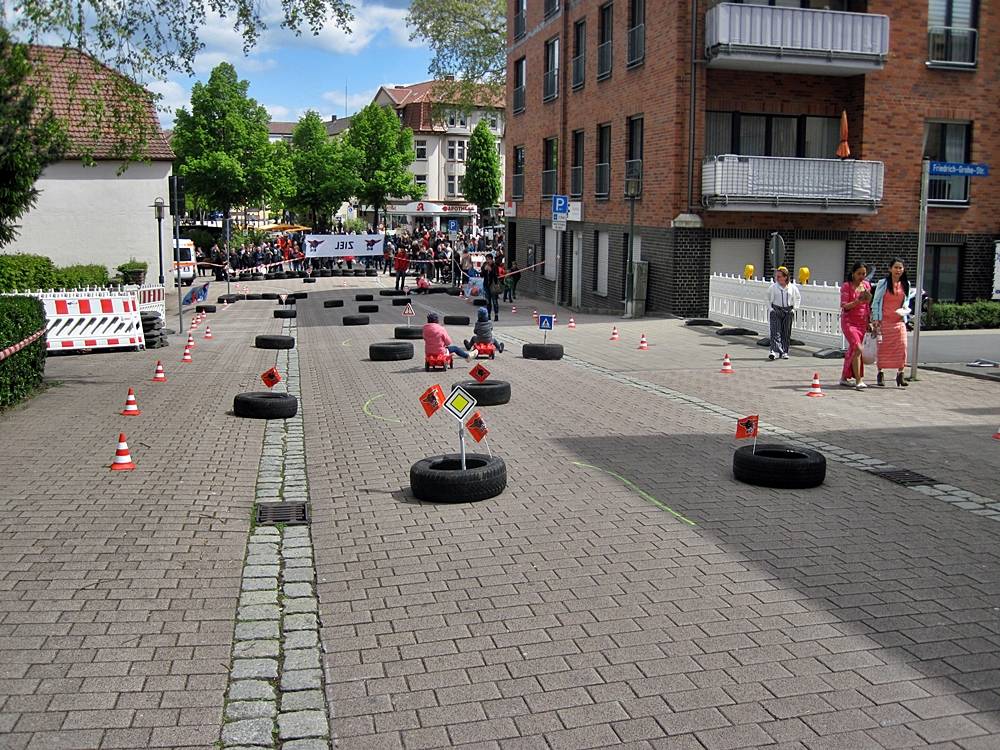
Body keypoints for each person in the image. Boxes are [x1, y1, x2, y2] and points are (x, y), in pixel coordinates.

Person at [871, 258, 914, 388]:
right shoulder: (883, 283)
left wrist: (905, 309)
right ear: (890, 269)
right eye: (895, 267)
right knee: (882, 348)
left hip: (899, 321)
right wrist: (876, 318)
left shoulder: (906, 284)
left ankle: (901, 373)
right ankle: (880, 373)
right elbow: (876, 301)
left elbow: (906, 300)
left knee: (902, 347)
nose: (898, 270)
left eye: (900, 268)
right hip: (884, 321)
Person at [840, 261, 873, 390]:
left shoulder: (866, 285)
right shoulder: (846, 286)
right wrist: (857, 301)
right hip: (849, 322)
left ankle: (844, 377)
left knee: (853, 350)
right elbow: (844, 306)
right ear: (853, 273)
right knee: (858, 348)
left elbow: (867, 306)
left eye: (864, 274)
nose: (861, 276)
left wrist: (869, 321)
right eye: (859, 273)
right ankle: (859, 380)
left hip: (862, 322)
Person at [767, 266, 801, 360]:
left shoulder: (792, 287)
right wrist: (771, 309)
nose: (777, 278)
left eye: (779, 276)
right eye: (776, 276)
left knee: (786, 332)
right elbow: (767, 299)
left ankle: (784, 352)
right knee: (775, 331)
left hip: (788, 310)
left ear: (785, 277)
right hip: (776, 310)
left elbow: (798, 298)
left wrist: (794, 309)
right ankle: (774, 351)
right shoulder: (773, 287)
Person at [481, 255, 501, 321]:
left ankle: (496, 315)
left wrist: (491, 270)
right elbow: (481, 275)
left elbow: (496, 276)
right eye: (487, 259)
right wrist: (484, 270)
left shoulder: (495, 266)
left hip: (493, 286)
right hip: (486, 285)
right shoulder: (484, 265)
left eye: (489, 259)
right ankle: (488, 315)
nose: (488, 261)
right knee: (488, 301)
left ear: (492, 259)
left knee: (494, 301)